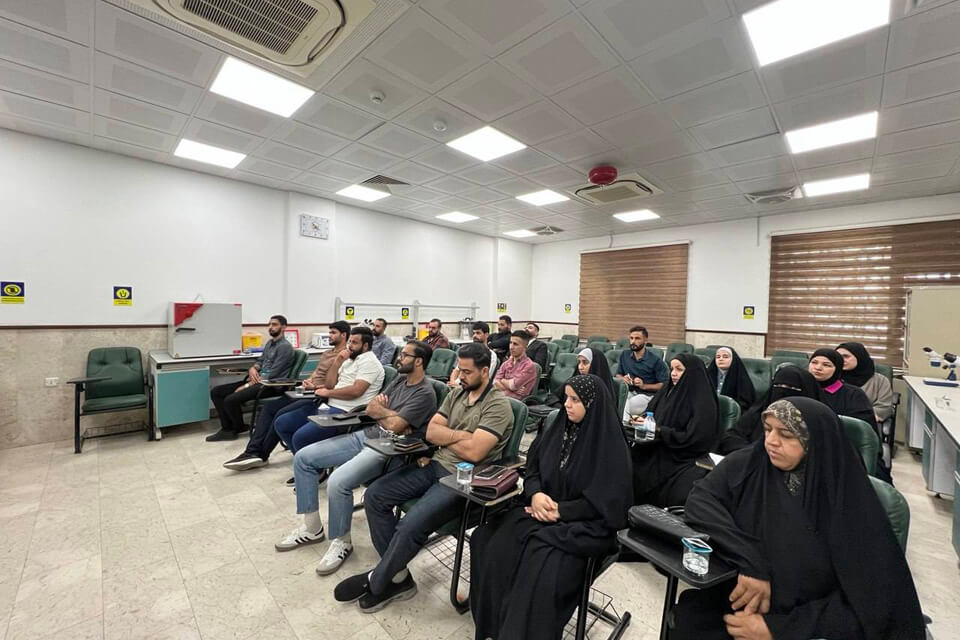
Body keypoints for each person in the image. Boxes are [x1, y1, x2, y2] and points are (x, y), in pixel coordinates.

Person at [677, 397, 925, 640]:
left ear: (812, 442)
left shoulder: (847, 499)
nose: (771, 441)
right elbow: (701, 501)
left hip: (806, 622)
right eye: (767, 429)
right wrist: (750, 561)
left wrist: (778, 629)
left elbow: (872, 603)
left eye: (786, 435)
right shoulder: (751, 462)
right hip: (739, 599)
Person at [333, 343, 514, 612]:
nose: (460, 376)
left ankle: (377, 580)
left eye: (467, 372)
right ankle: (398, 577)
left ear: (485, 371)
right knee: (375, 496)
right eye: (459, 369)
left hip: (463, 479)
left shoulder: (498, 405)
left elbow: (476, 452)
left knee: (410, 525)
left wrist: (448, 436)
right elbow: (431, 432)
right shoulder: (457, 394)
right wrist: (462, 436)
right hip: (434, 462)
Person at [469, 374, 632, 640]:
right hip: (539, 510)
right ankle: (494, 624)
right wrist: (535, 494)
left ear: (592, 404)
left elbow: (609, 502)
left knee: (539, 575)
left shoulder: (610, 445)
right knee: (486, 540)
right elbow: (532, 469)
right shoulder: (559, 428)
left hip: (582, 524)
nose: (566, 404)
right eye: (566, 397)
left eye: (575, 400)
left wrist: (562, 511)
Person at [273, 341, 437, 576]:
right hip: (367, 434)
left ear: (419, 361)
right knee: (303, 458)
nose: (399, 358)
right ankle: (312, 528)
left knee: (338, 482)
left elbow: (396, 427)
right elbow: (371, 408)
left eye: (405, 355)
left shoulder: (425, 393)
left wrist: (386, 415)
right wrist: (388, 415)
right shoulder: (400, 380)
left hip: (387, 447)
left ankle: (342, 541)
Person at [222, 321, 350, 469]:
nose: (329, 336)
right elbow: (317, 372)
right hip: (307, 389)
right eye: (329, 332)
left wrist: (315, 386)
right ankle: (252, 451)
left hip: (319, 395)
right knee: (269, 408)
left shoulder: (344, 356)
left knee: (280, 413)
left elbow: (337, 383)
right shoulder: (327, 353)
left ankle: (261, 454)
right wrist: (308, 381)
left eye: (333, 333)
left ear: (343, 335)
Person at [274, 326, 384, 455]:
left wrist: (328, 393)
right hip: (329, 405)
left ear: (365, 346)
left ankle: (309, 465)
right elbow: (330, 384)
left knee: (300, 438)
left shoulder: (370, 362)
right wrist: (337, 361)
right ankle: (305, 462)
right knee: (282, 424)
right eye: (349, 341)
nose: (349, 346)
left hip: (346, 412)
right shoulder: (349, 359)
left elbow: (356, 391)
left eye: (354, 343)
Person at [630, 353, 718, 507]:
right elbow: (651, 413)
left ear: (691, 372)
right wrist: (642, 420)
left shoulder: (703, 400)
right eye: (672, 369)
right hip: (657, 444)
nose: (673, 374)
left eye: (679, 369)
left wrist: (660, 430)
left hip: (682, 453)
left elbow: (696, 439)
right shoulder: (667, 390)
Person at [208, 315, 295, 441]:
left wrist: (247, 385)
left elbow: (273, 373)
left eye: (275, 324)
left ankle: (231, 429)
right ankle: (233, 427)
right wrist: (253, 368)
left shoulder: (285, 347)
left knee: (230, 399)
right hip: (258, 381)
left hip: (271, 385)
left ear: (284, 327)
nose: (271, 327)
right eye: (270, 324)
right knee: (216, 392)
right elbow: (261, 361)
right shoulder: (270, 343)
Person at [718, 366, 824, 455]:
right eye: (778, 386)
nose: (782, 391)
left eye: (791, 388)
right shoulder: (758, 411)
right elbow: (731, 437)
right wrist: (752, 454)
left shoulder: (816, 421)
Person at [808, 349, 877, 431]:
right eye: (814, 362)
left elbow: (862, 429)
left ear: (837, 369)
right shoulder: (801, 386)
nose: (818, 368)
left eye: (826, 365)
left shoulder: (854, 394)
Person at [617, 325, 669, 423]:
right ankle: (625, 423)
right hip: (628, 391)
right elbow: (618, 375)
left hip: (647, 395)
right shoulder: (625, 355)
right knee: (617, 400)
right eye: (631, 338)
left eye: (637, 338)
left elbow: (664, 385)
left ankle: (623, 426)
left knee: (624, 405)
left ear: (645, 340)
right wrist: (623, 379)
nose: (633, 341)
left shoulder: (656, 360)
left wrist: (644, 385)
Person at [837, 342, 894, 425]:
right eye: (838, 357)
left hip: (866, 424)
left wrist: (860, 417)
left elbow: (884, 407)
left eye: (846, 356)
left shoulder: (880, 380)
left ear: (859, 357)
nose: (841, 360)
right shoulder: (831, 378)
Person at [448, 321, 498, 387]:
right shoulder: (468, 351)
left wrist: (457, 385)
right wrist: (452, 382)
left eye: (478, 333)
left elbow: (485, 377)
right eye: (473, 333)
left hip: (471, 386)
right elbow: (456, 370)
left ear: (486, 335)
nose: (474, 336)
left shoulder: (491, 355)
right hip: (457, 385)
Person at [707, 347, 756, 411]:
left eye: (725, 357)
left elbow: (745, 402)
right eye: (718, 357)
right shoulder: (709, 374)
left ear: (733, 359)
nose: (721, 359)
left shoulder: (740, 376)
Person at [493, 330, 539, 400]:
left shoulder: (529, 366)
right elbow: (495, 382)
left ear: (525, 347)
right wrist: (510, 387)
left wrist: (502, 380)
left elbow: (513, 385)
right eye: (510, 343)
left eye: (515, 344)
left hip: (515, 402)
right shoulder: (506, 363)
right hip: (500, 398)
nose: (511, 347)